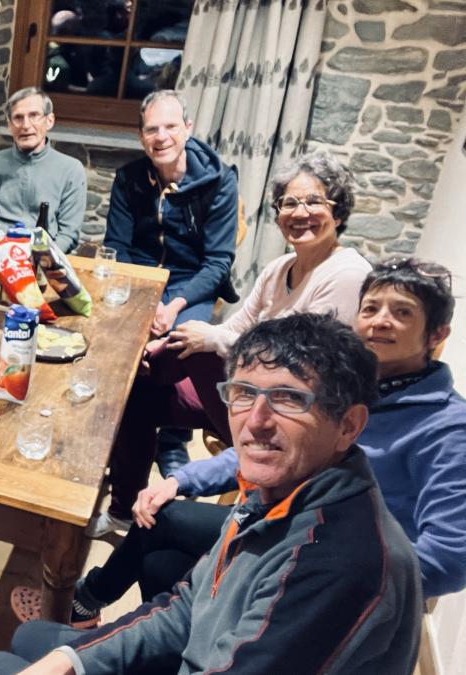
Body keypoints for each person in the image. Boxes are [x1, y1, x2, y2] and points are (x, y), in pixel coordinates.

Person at [0, 313, 423, 675]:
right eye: (243, 393)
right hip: (205, 653)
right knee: (35, 642)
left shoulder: (337, 564)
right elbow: (190, 605)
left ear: (349, 424)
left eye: (289, 399)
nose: (256, 421)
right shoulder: (279, 491)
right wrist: (73, 661)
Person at [65, 257, 465, 628]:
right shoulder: (345, 383)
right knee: (160, 561)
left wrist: (328, 574)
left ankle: (88, 602)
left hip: (328, 564)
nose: (381, 322)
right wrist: (180, 480)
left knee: (164, 523)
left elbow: (450, 558)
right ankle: (171, 644)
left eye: (402, 312)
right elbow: (267, 445)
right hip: (280, 521)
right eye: (371, 309)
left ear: (437, 333)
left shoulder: (447, 428)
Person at [88, 149, 372, 537]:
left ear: (337, 212)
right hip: (240, 394)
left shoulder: (347, 273)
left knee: (198, 350)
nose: (299, 212)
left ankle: (130, 374)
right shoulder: (279, 268)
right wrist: (180, 343)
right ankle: (123, 508)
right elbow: (238, 325)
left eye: (313, 201)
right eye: (289, 203)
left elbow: (303, 367)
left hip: (287, 411)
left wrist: (206, 340)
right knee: (141, 392)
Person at [101, 89, 240, 483]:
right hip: (140, 279)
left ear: (188, 128)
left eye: (170, 127)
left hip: (190, 281)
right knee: (111, 339)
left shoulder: (219, 181)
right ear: (140, 136)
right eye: (151, 130)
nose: (161, 137)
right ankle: (117, 429)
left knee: (174, 347)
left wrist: (173, 304)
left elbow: (217, 263)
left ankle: (170, 437)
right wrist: (141, 302)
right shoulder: (129, 178)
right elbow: (117, 247)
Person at [0, 87, 86, 252]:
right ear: (9, 125)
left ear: (49, 121)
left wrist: (41, 256)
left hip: (43, 256)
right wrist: (1, 250)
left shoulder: (71, 170)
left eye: (34, 115)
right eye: (18, 118)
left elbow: (69, 234)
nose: (26, 125)